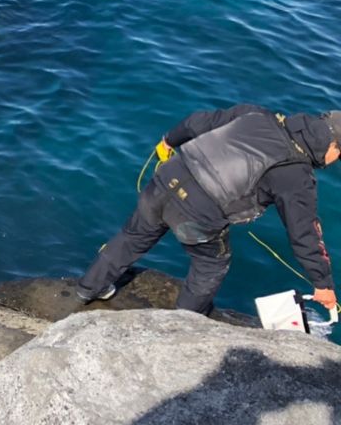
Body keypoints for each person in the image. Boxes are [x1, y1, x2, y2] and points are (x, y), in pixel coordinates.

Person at [76, 105, 341, 316]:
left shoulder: (258, 114)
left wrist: (168, 141)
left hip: (167, 178)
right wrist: (323, 283)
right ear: (332, 145)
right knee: (211, 264)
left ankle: (89, 288)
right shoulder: (297, 175)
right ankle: (184, 324)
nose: (334, 161)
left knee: (132, 237)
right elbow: (304, 233)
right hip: (198, 214)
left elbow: (196, 122)